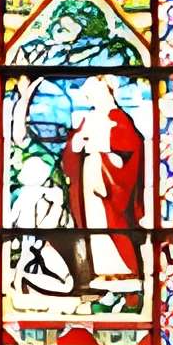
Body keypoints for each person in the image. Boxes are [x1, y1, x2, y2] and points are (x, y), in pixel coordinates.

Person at [59, 78, 145, 283]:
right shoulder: (89, 117)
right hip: (90, 171)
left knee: (111, 220)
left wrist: (101, 143)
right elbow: (72, 149)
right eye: (89, 95)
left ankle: (122, 269)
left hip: (110, 176)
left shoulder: (119, 117)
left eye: (94, 93)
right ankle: (102, 270)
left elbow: (132, 146)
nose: (91, 98)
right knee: (94, 219)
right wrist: (77, 143)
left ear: (107, 91)